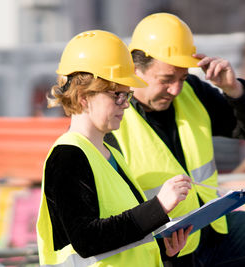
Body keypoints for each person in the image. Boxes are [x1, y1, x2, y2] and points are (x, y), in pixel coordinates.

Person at [105, 13, 245, 266]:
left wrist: (234, 90)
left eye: (182, 78)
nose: (176, 90)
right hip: (165, 252)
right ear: (135, 69)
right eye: (166, 80)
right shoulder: (112, 120)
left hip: (214, 232)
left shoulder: (193, 93)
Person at [36, 30, 194, 267]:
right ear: (83, 97)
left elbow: (122, 237)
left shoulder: (112, 156)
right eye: (117, 95)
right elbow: (87, 239)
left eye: (127, 95)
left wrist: (163, 249)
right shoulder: (67, 156)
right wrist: (158, 207)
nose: (126, 105)